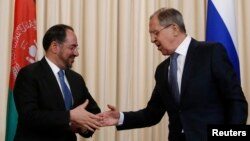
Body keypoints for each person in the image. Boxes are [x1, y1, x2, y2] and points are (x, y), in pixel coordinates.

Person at [99, 8, 248, 141]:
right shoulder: (162, 70)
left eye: (155, 33)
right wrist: (120, 118)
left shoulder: (211, 52)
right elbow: (152, 113)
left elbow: (235, 101)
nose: (152, 40)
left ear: (174, 29)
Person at [13, 24, 101, 141]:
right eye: (72, 47)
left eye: (76, 48)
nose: (76, 53)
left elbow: (93, 111)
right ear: (55, 46)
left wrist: (83, 127)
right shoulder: (29, 74)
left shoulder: (76, 79)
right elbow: (29, 116)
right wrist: (69, 116)